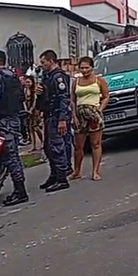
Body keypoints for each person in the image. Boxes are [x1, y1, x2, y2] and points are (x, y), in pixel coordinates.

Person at [0, 50, 29, 206]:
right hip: (14, 119)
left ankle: (20, 191)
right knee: (8, 155)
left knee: (11, 157)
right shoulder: (13, 76)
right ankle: (12, 187)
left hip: (3, 121)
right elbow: (22, 97)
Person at [36, 50, 72, 192]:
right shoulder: (47, 76)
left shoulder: (58, 77)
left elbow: (64, 98)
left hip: (57, 116)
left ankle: (62, 178)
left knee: (57, 147)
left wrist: (62, 119)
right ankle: (54, 174)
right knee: (48, 147)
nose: (41, 65)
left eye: (43, 62)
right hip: (48, 114)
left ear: (51, 61)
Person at [69, 56, 109, 181]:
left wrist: (99, 110)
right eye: (82, 68)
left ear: (92, 67)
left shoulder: (99, 80)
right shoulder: (76, 81)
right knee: (78, 146)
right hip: (80, 115)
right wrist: (74, 116)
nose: (84, 70)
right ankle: (77, 171)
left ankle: (95, 171)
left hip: (93, 114)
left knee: (95, 144)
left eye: (87, 68)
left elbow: (106, 96)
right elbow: (73, 100)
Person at [23, 75, 44, 151]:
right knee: (30, 128)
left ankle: (42, 141)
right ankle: (33, 145)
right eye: (26, 82)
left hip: (35, 111)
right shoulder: (25, 90)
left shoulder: (34, 91)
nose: (27, 83)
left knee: (36, 127)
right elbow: (24, 101)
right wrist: (26, 109)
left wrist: (31, 110)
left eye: (29, 82)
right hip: (28, 110)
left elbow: (35, 101)